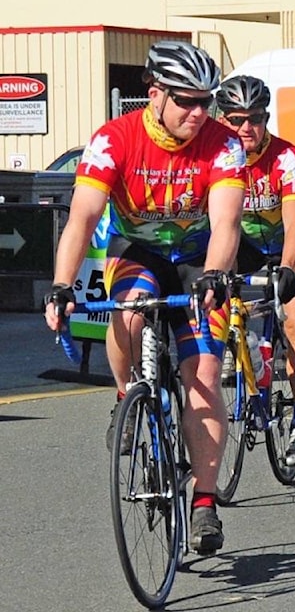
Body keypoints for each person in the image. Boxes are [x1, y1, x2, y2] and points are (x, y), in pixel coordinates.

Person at [43, 40, 245, 556]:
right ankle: (125, 397)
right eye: (186, 101)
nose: (200, 112)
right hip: (138, 249)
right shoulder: (114, 140)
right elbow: (83, 216)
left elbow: (226, 221)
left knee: (201, 375)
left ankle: (203, 504)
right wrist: (62, 285)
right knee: (130, 313)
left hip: (200, 256)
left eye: (208, 101)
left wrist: (217, 274)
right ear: (155, 95)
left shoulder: (223, 144)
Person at [215, 75, 295, 466]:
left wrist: (289, 269)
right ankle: (243, 352)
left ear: (266, 118)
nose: (247, 128)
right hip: (243, 245)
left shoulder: (287, 158)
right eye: (236, 119)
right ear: (222, 119)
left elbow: (294, 223)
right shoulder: (217, 157)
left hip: (292, 247)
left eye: (256, 118)